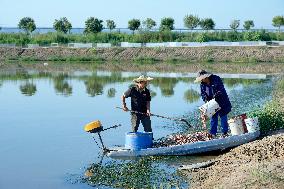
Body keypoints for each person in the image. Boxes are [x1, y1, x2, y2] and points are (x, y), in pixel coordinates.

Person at [194, 70, 232, 137]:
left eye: (202, 79)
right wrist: (206, 101)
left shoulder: (216, 79)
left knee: (223, 116)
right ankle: (213, 133)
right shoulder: (202, 85)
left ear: (205, 77)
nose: (201, 80)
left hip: (221, 100)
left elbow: (221, 89)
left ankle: (225, 133)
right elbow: (203, 94)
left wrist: (216, 95)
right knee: (213, 118)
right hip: (212, 103)